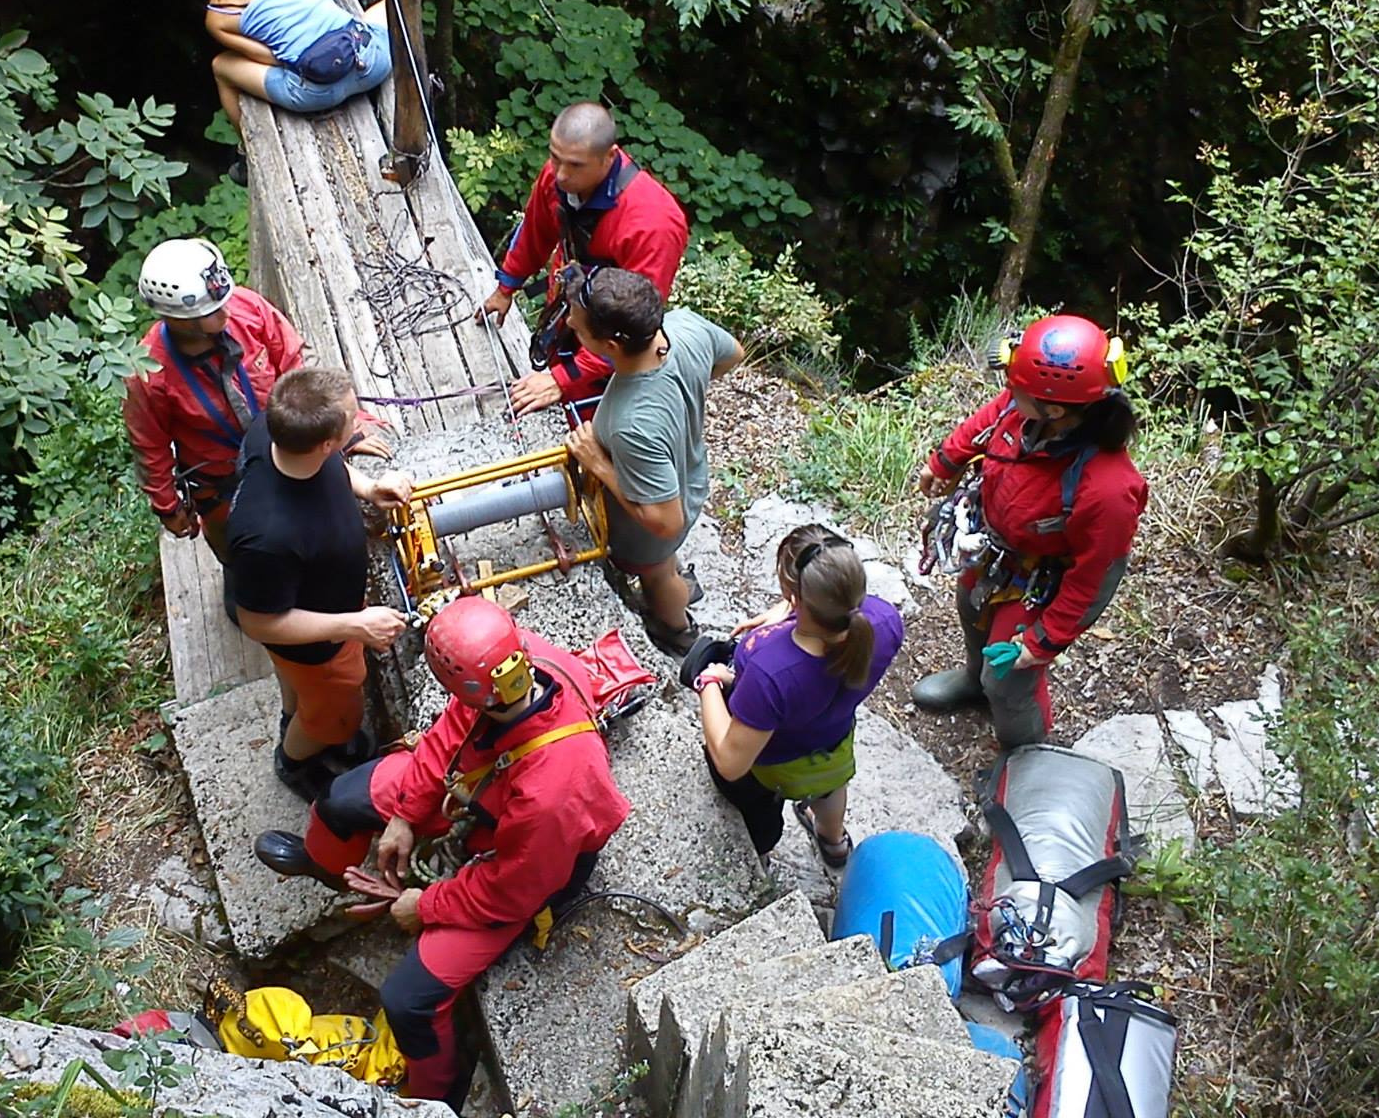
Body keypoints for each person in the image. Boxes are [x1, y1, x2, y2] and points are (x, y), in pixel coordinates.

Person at [251, 593, 630, 1108]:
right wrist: (405, 815)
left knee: (408, 1002)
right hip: (487, 795)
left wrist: (424, 906)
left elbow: (512, 889)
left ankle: (437, 1094)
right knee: (342, 800)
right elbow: (449, 734)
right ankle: (323, 863)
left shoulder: (555, 788)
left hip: (533, 866)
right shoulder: (511, 666)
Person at [909, 314, 1149, 748]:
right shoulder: (1026, 409)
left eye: (1017, 388)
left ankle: (1027, 751)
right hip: (998, 551)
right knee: (971, 607)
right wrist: (946, 459)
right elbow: (988, 418)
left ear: (1056, 409)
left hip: (1042, 582)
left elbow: (1094, 578)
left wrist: (1042, 642)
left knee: (1009, 677)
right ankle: (973, 682)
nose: (1009, 392)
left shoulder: (1107, 490)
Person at [122, 238, 390, 560]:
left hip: (291, 450)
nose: (226, 311)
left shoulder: (247, 310)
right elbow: (150, 447)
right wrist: (169, 507)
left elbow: (296, 370)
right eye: (212, 309)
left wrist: (346, 429)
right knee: (249, 557)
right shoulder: (150, 374)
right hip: (225, 484)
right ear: (179, 320)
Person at [224, 366, 415, 798]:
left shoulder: (276, 435)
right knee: (335, 713)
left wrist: (366, 487)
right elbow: (258, 622)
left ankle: (298, 715)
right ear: (329, 441)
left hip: (319, 617)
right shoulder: (267, 537)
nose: (360, 417)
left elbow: (333, 468)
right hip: (319, 648)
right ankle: (296, 761)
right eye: (354, 415)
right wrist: (353, 626)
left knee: (300, 692)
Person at [693, 526, 905, 869]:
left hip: (772, 762)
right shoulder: (884, 621)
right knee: (830, 788)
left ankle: (758, 853)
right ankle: (834, 844)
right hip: (833, 741)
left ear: (794, 593)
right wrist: (790, 615)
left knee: (754, 803)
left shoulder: (770, 672)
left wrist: (710, 683)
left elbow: (731, 763)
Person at [561, 268, 742, 655]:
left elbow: (665, 522)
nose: (569, 324)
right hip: (687, 472)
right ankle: (674, 584)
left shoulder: (633, 424)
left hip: (652, 522)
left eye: (578, 329)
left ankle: (675, 627)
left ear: (610, 344)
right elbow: (733, 354)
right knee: (668, 553)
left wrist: (599, 463)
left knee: (658, 571)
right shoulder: (684, 327)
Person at [478, 102, 688, 414]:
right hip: (569, 314)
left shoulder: (653, 224)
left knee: (593, 427)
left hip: (614, 352)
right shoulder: (558, 177)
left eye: (575, 165)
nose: (560, 174)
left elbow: (635, 324)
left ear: (610, 157)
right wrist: (506, 286)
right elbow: (536, 231)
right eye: (555, 158)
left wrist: (564, 379)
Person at [163, 0, 392, 130]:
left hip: (317, 95)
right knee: (391, 6)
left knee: (220, 66)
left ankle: (247, 150)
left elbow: (271, 58)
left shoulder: (217, 18)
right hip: (372, 62)